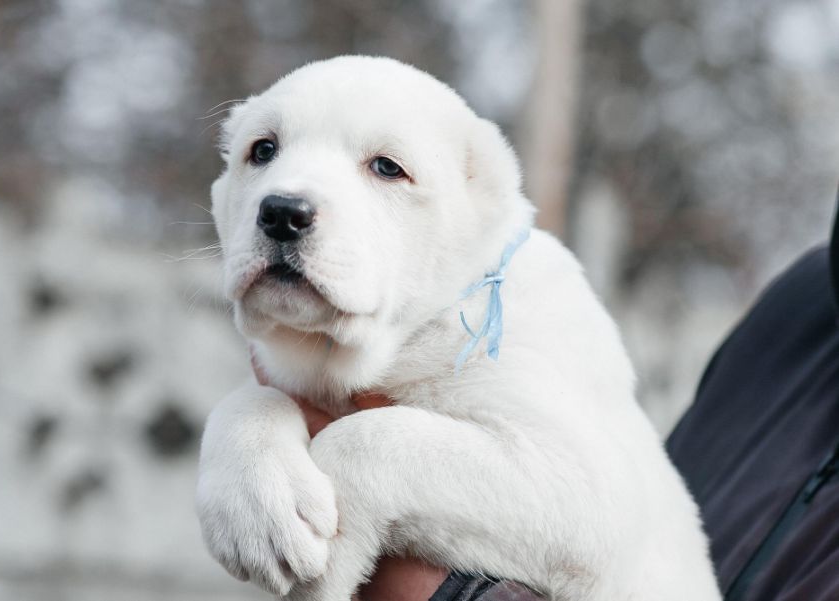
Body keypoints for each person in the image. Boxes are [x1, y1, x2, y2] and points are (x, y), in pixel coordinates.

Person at [262, 197, 839, 601]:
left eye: (388, 170)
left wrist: (433, 589)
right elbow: (634, 522)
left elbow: (591, 536)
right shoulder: (810, 299)